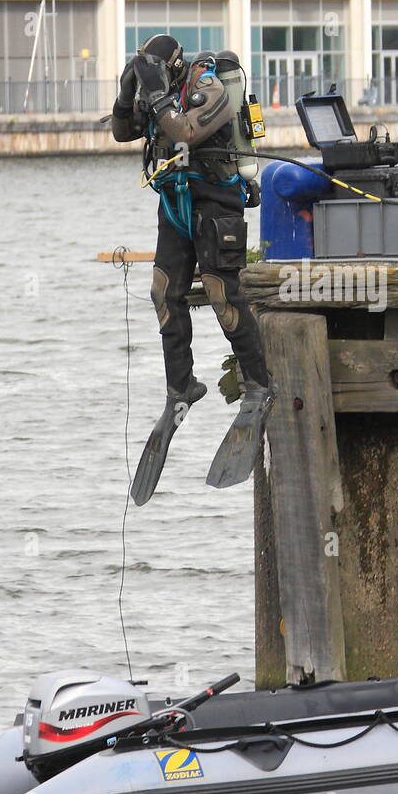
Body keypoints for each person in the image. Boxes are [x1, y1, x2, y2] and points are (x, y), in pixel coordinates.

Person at [111, 35, 274, 504]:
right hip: (175, 201)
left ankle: (259, 383)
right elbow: (124, 133)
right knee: (164, 293)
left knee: (224, 294)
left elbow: (183, 132)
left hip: (216, 202)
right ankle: (182, 385)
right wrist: (128, 92)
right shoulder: (154, 91)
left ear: (176, 66)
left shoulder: (211, 89)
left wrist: (159, 94)